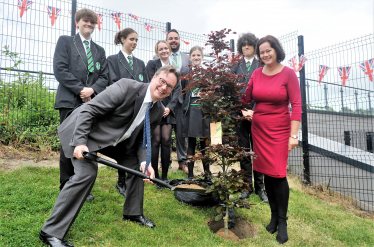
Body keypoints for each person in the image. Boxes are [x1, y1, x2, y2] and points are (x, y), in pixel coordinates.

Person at [39, 65, 180, 247]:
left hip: (114, 140)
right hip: (84, 132)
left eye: (170, 87)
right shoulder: (126, 87)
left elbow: (142, 140)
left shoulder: (158, 110)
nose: (164, 88)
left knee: (138, 166)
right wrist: (80, 142)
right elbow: (88, 110)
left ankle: (133, 212)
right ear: (154, 77)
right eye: (162, 81)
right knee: (86, 173)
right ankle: (50, 232)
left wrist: (145, 162)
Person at [241, 35, 301, 244]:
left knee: (278, 174)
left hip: (280, 130)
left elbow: (297, 105)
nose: (265, 55)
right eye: (262, 52)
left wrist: (294, 135)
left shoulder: (288, 74)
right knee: (266, 172)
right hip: (259, 129)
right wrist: (243, 105)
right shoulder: (256, 73)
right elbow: (246, 99)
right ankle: (273, 216)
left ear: (276, 50)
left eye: (268, 50)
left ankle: (283, 221)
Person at [53, 8, 109, 201]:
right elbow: (60, 69)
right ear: (78, 22)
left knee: (87, 143)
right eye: (86, 21)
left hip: (91, 102)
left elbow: (104, 76)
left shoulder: (99, 51)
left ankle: (82, 186)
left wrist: (92, 90)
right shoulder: (66, 42)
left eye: (92, 22)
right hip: (69, 101)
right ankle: (66, 185)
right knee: (68, 144)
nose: (89, 24)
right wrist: (80, 90)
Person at [107, 28, 147, 197]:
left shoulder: (140, 63)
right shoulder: (112, 60)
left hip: (135, 109)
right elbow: (114, 82)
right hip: (121, 108)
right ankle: (121, 180)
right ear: (122, 39)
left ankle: (126, 178)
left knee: (130, 145)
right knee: (121, 144)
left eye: (136, 40)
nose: (134, 42)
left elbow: (143, 85)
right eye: (131, 39)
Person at [231, 33, 268, 203]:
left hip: (258, 114)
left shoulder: (262, 65)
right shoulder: (235, 66)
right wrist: (243, 110)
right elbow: (231, 91)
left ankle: (261, 188)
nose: (246, 47)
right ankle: (247, 187)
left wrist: (253, 111)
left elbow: (266, 90)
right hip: (240, 115)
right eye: (243, 44)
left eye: (249, 44)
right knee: (244, 151)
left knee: (258, 152)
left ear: (254, 46)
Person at [145, 41, 181, 183]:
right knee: (155, 141)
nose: (164, 51)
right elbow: (150, 85)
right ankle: (155, 177)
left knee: (166, 141)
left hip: (168, 110)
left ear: (170, 50)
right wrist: (160, 107)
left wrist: (169, 107)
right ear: (157, 51)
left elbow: (178, 90)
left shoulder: (174, 68)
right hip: (155, 107)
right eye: (161, 49)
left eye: (166, 48)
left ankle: (165, 176)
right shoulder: (152, 65)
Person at [165, 29, 191, 174]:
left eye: (176, 38)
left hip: (181, 102)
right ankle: (166, 161)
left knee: (181, 134)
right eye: (170, 39)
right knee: (166, 134)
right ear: (167, 41)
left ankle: (183, 161)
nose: (173, 41)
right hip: (166, 102)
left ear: (179, 40)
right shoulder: (163, 57)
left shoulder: (187, 59)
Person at [182, 46, 210, 178]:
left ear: (202, 57)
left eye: (198, 55)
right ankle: (191, 175)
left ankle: (207, 173)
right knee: (191, 142)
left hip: (204, 110)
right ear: (190, 57)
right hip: (191, 110)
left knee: (204, 142)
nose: (196, 57)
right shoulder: (186, 73)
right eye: (194, 55)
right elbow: (181, 91)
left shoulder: (208, 73)